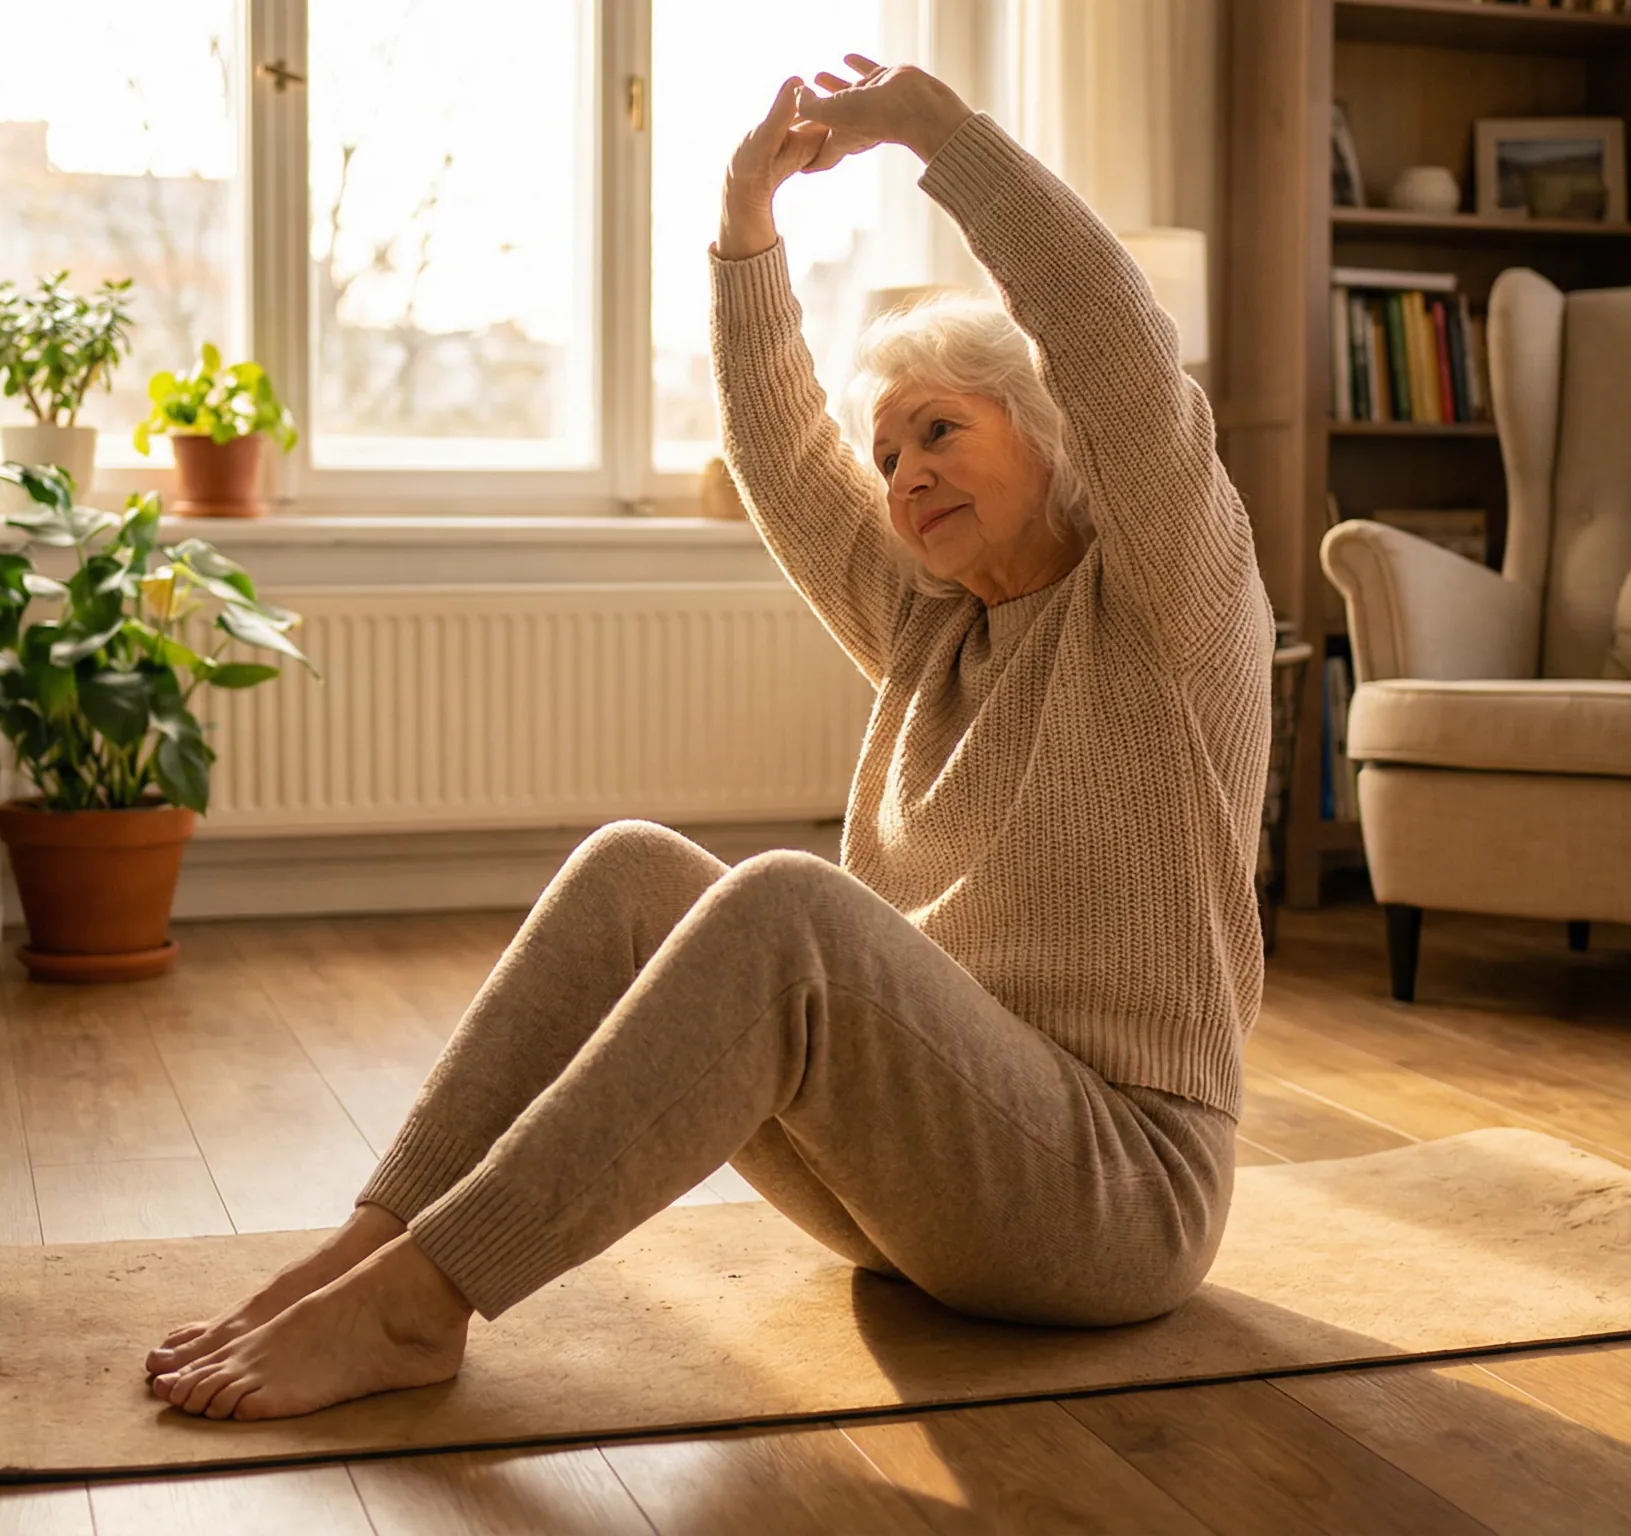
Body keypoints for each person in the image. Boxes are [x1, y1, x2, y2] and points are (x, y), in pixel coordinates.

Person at [144, 55, 1274, 1422]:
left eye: (941, 432)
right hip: (926, 1188)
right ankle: (377, 1244)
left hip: (1116, 1193)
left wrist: (936, 132)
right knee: (633, 868)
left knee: (790, 906)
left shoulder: (1171, 601)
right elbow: (789, 460)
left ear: (1057, 441)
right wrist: (746, 230)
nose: (905, 471)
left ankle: (419, 1302)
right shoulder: (936, 634)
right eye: (892, 449)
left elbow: (1111, 339)